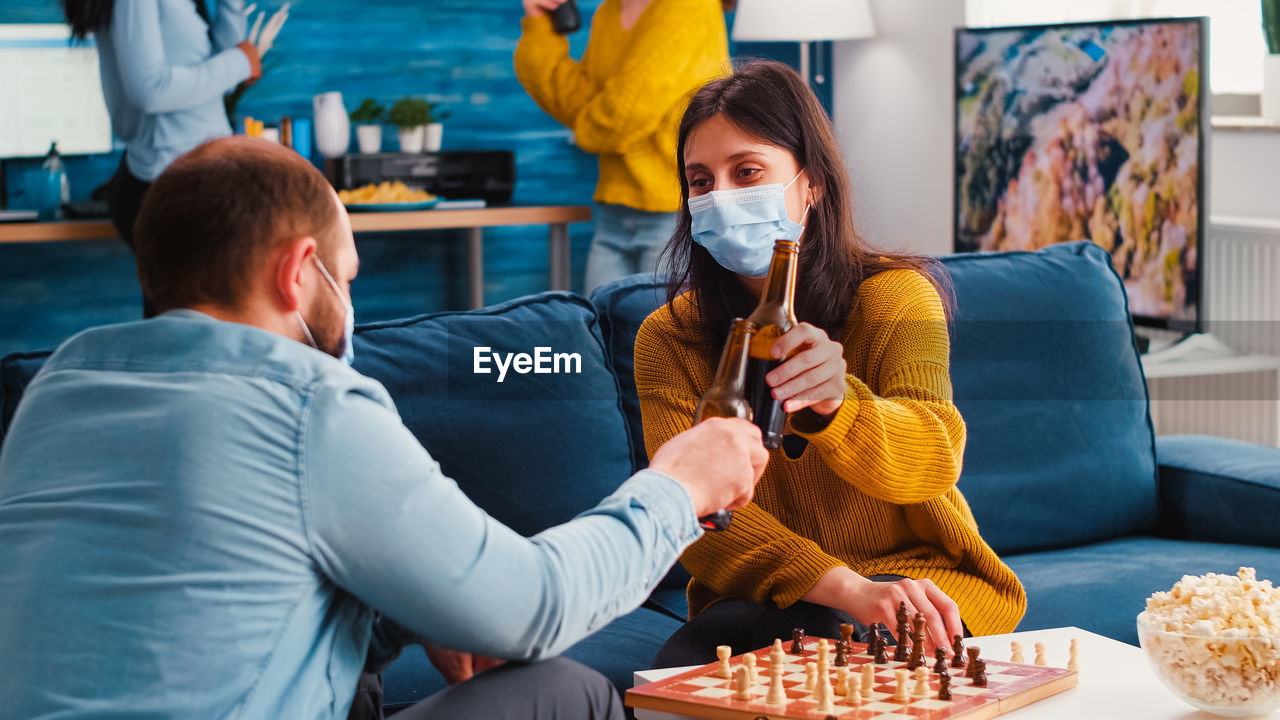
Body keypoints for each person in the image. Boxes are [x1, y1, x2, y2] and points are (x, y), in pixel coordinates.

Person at [0, 136, 769, 719]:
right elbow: (534, 606)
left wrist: (412, 609)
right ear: (298, 272)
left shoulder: (54, 393)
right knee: (564, 690)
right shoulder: (308, 403)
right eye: (349, 275)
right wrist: (678, 484)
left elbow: (218, 601)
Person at [634, 61, 1028, 667]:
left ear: (812, 182)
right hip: (763, 596)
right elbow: (696, 517)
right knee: (683, 678)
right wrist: (844, 585)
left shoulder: (896, 296)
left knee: (864, 670)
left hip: (917, 577)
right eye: (700, 181)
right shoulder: (669, 338)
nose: (721, 197)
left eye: (747, 172)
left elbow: (935, 456)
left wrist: (840, 406)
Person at [63, 0, 288, 316]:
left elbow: (230, 58)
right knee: (193, 335)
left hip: (194, 178)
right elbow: (150, 91)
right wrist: (239, 62)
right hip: (169, 185)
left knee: (195, 332)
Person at [514, 0, 732, 295]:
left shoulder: (689, 6)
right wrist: (540, 24)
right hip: (615, 211)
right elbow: (573, 100)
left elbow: (627, 111)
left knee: (662, 338)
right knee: (602, 333)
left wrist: (587, 130)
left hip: (677, 211)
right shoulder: (609, 12)